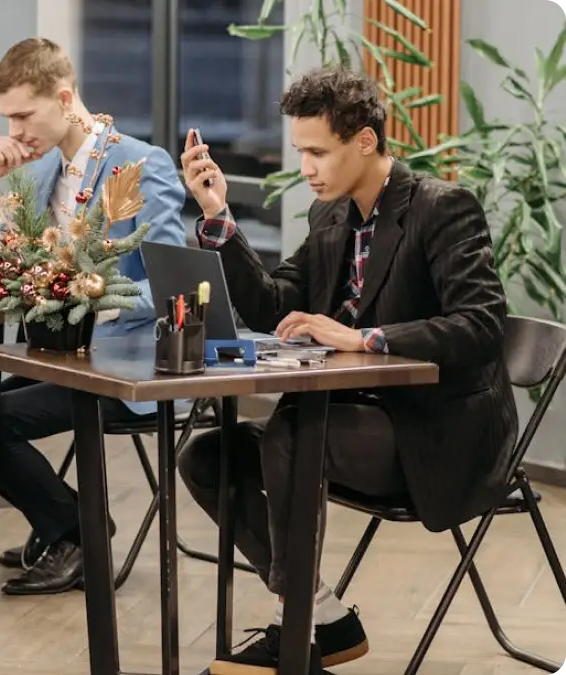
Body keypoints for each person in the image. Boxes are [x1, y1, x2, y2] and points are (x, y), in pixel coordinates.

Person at [178, 66, 517, 675]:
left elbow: (481, 324)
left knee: (291, 435)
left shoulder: (442, 208)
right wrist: (217, 214)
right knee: (207, 455)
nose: (306, 167)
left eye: (318, 152)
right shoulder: (331, 217)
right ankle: (318, 617)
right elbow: (272, 307)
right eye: (300, 152)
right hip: (355, 420)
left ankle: (295, 639)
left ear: (364, 141)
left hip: (439, 435)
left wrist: (365, 338)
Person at [0, 37, 186, 596]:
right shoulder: (42, 171)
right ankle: (65, 523)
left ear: (65, 99)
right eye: (8, 117)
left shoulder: (142, 164)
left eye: (24, 115)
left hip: (131, 361)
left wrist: (92, 293)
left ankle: (75, 535)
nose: (15, 130)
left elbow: (173, 291)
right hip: (64, 355)